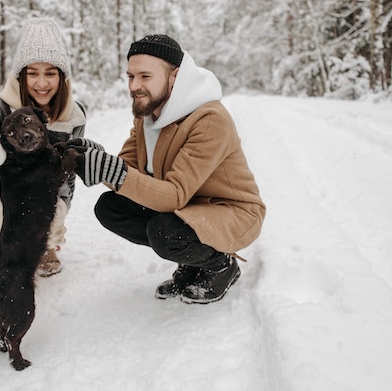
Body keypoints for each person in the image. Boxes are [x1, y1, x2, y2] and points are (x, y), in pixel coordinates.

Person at [68, 34, 266, 304]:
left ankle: (220, 265)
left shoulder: (209, 119)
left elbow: (174, 195)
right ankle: (191, 261)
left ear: (174, 77)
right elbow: (126, 170)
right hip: (187, 208)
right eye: (130, 76)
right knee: (111, 207)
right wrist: (95, 157)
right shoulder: (148, 115)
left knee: (165, 232)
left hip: (229, 211)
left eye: (145, 77)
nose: (134, 86)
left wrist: (111, 171)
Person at [0, 17, 87, 277]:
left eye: (50, 73)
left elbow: (68, 180)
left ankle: (43, 246)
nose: (41, 83)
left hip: (43, 191)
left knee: (49, 213)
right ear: (21, 76)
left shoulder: (74, 116)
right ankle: (5, 269)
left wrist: (58, 216)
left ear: (62, 76)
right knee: (6, 212)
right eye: (32, 73)